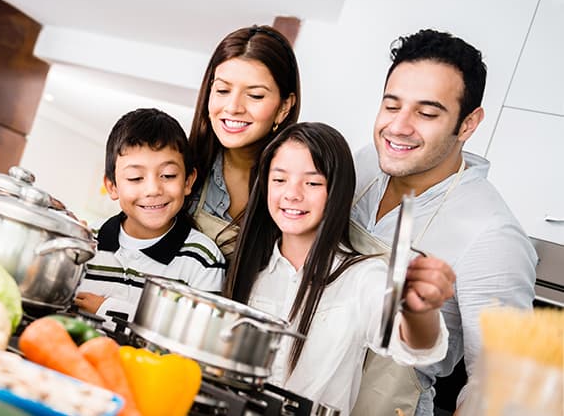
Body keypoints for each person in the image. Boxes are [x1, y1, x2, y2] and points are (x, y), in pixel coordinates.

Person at [350, 29, 538, 416]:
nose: (399, 127)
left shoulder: (493, 234)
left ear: (468, 124)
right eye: (391, 105)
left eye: (427, 113)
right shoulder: (365, 163)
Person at [223, 122, 453, 414]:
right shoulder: (247, 267)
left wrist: (420, 311)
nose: (292, 194)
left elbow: (415, 347)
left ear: (337, 192)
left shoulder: (363, 277)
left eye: (312, 183)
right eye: (279, 179)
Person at [74, 108, 226, 324]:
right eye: (135, 178)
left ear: (188, 181)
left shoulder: (203, 259)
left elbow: (197, 336)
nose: (153, 189)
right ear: (112, 186)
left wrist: (109, 309)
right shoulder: (87, 242)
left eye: (168, 175)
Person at [188, 25, 300, 262]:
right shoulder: (182, 169)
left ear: (284, 108)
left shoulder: (295, 192)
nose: (233, 107)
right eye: (222, 90)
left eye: (255, 95)